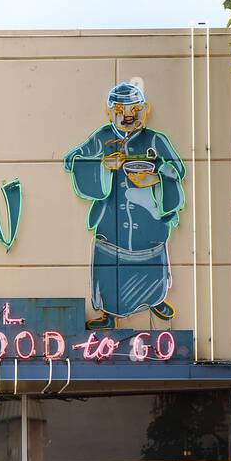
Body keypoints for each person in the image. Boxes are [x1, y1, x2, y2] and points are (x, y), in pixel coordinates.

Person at [62, 82, 186, 330]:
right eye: (121, 109)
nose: (128, 116)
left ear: (144, 109)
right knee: (109, 268)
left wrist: (157, 177)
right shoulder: (102, 138)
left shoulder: (155, 139)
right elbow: (71, 160)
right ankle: (108, 314)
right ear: (110, 112)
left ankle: (155, 300)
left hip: (149, 221)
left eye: (134, 109)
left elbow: (178, 169)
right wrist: (102, 166)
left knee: (152, 262)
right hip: (110, 222)